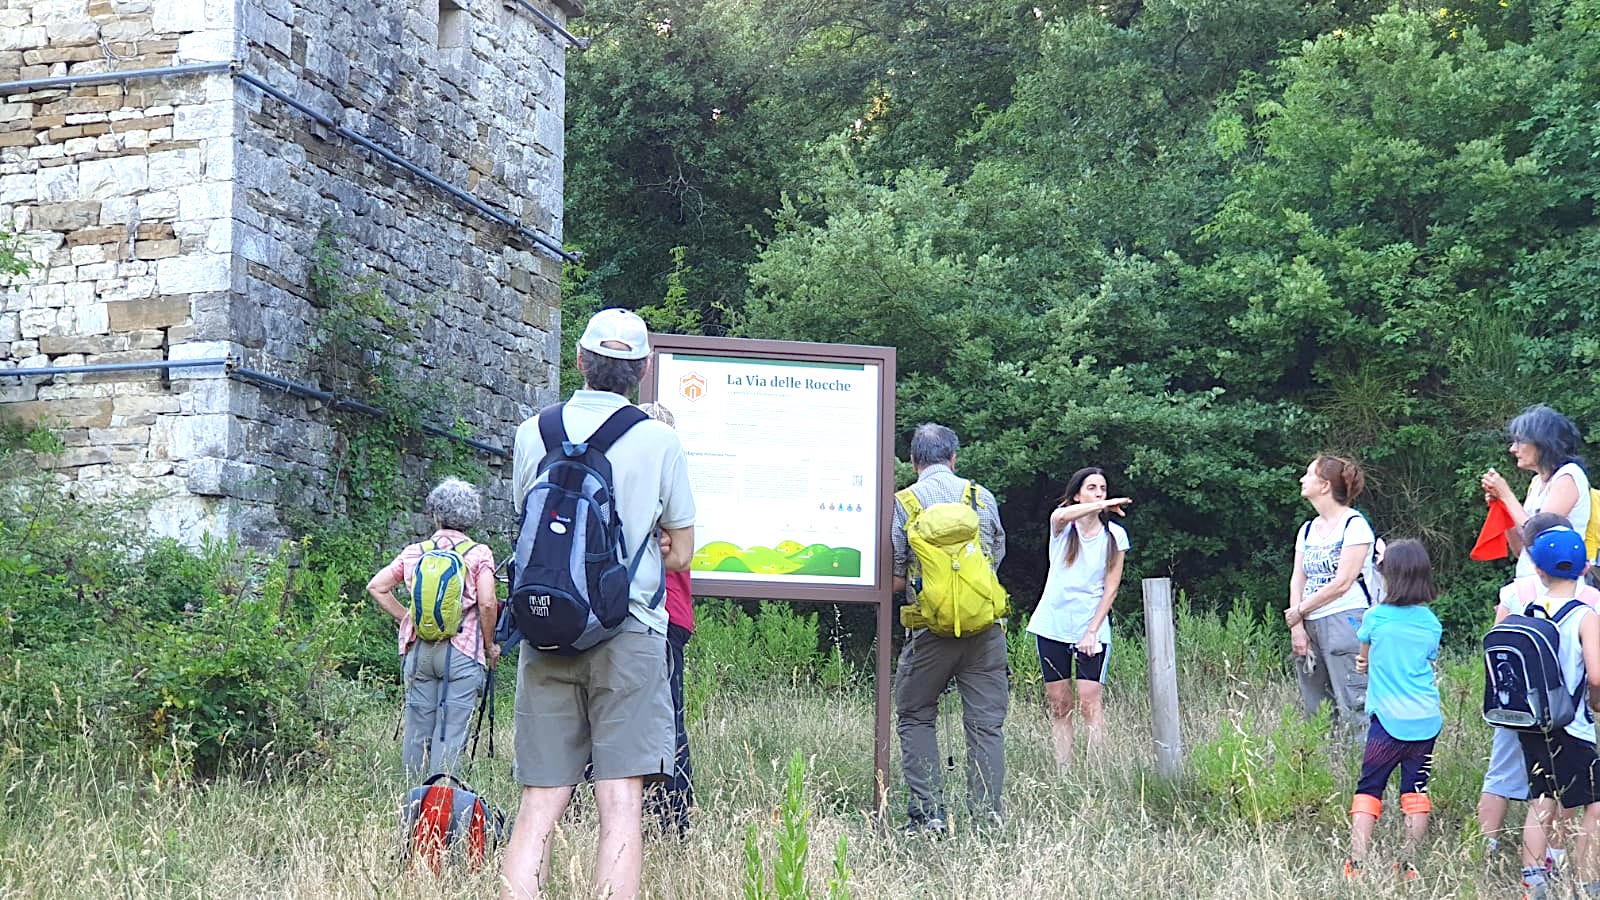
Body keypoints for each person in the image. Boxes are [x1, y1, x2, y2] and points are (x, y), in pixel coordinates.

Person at [499, 308, 696, 900]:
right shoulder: (659, 439)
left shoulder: (533, 430)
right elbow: (682, 552)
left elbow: (524, 520)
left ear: (580, 361)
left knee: (539, 801)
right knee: (620, 800)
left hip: (547, 626)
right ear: (642, 370)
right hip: (629, 631)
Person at [892, 422, 1008, 834]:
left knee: (915, 714)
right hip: (986, 629)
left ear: (913, 461)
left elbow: (896, 575)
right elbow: (995, 557)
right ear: (954, 458)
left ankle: (928, 817)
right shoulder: (981, 497)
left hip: (929, 632)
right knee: (985, 724)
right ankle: (986, 817)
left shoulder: (903, 503)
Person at [365, 478, 499, 781]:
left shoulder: (415, 552)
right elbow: (488, 602)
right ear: (471, 517)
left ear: (435, 514)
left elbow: (377, 586)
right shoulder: (479, 554)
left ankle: (412, 795)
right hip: (463, 653)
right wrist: (490, 645)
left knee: (417, 726)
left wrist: (406, 619)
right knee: (451, 730)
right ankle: (440, 800)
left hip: (420, 651)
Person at [1479, 512, 1589, 859]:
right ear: (1583, 566)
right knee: (1566, 791)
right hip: (1567, 715)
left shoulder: (1516, 595)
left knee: (1503, 778)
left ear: (1534, 561)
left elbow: (1494, 647)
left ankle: (1486, 850)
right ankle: (1553, 859)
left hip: (1516, 705)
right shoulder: (1590, 604)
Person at [1342, 539, 1441, 881]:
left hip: (1387, 720)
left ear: (1388, 576)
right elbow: (1426, 659)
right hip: (1426, 719)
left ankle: (1356, 863)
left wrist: (1363, 665)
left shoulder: (1375, 617)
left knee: (1370, 787)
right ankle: (1408, 866)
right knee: (1415, 790)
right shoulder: (1431, 622)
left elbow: (1364, 660)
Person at [1513, 526, 1600, 900]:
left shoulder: (1528, 611)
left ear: (1539, 571)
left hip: (1535, 724)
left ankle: (1533, 883)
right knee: (1594, 806)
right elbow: (1596, 673)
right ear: (1584, 570)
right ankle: (1585, 882)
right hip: (1573, 725)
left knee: (1542, 800)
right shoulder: (1585, 615)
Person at [1026, 466, 1131, 768]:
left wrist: (1092, 631)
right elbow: (1060, 516)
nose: (1100, 493)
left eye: (1103, 489)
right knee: (1060, 704)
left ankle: (1095, 772)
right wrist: (1100, 506)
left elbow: (1110, 588)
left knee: (1089, 702)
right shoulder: (1062, 526)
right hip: (1053, 624)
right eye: (1092, 488)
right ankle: (1064, 773)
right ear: (1076, 495)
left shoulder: (1115, 535)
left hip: (1091, 626)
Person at [1284, 454, 1374, 734]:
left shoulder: (1355, 525)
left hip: (1345, 619)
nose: (1302, 479)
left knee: (1354, 703)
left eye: (1309, 474)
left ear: (1324, 485)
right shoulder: (1307, 529)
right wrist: (1298, 626)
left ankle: (1362, 769)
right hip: (1309, 623)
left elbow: (1342, 582)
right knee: (1318, 708)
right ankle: (1326, 768)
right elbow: (1297, 578)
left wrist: (1299, 610)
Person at [638, 401, 696, 838]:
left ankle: (672, 818)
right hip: (671, 616)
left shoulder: (650, 486)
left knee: (663, 720)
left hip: (659, 613)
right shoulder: (678, 486)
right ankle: (671, 818)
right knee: (667, 717)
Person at [1481, 404, 1591, 580]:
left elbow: (1540, 537)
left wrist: (1506, 495)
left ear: (1543, 443)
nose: (1512, 449)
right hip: (1529, 583)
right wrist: (1501, 505)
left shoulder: (1568, 477)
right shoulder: (1536, 482)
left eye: (1519, 441)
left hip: (1558, 588)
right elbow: (1520, 550)